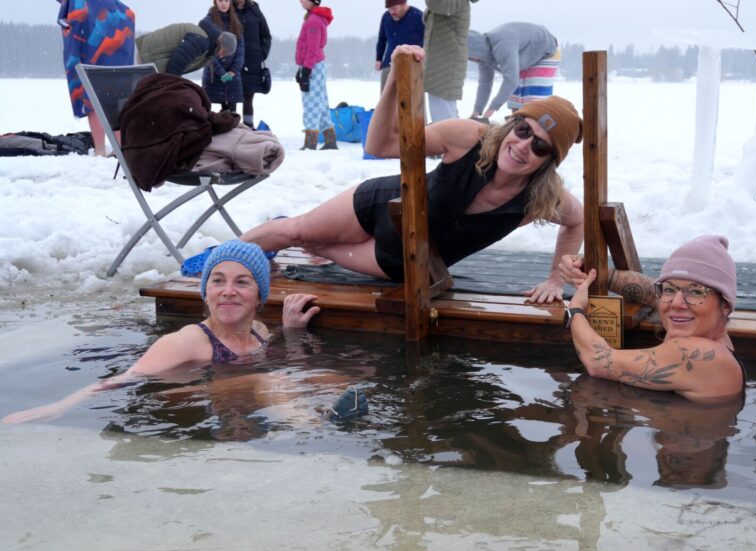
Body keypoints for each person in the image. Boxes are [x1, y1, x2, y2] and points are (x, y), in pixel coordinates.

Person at [234, 45, 584, 304]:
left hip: (399, 262)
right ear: (511, 125)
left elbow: (577, 221)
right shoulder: (470, 137)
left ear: (549, 161)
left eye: (540, 146)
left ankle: (298, 240)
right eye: (523, 130)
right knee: (295, 231)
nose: (523, 146)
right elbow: (380, 144)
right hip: (377, 206)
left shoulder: (540, 198)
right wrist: (393, 83)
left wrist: (556, 280)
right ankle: (222, 263)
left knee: (315, 244)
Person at [2, 241, 320, 425]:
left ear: (259, 296)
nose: (228, 291)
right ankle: (311, 433)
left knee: (326, 377)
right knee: (268, 381)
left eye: (242, 282)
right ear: (205, 292)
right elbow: (124, 380)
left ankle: (320, 420)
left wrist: (291, 332)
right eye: (218, 281)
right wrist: (58, 407)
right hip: (185, 397)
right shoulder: (188, 342)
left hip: (239, 397)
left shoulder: (260, 331)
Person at [565, 235, 746, 403]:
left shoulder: (700, 354)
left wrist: (574, 310)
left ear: (725, 305)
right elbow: (650, 290)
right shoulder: (712, 337)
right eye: (670, 289)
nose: (676, 303)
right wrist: (590, 271)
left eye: (696, 292)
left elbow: (598, 362)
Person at [58, 0, 136, 158]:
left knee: (91, 94)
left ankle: (100, 149)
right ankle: (119, 145)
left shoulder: (76, 4)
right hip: (117, 45)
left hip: (92, 50)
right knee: (117, 95)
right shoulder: (118, 8)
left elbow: (73, 29)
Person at [466, 22, 560, 120]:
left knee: (532, 99)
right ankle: (518, 121)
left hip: (547, 49)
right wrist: (477, 111)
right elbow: (485, 83)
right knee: (516, 99)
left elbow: (511, 80)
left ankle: (536, 123)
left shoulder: (502, 46)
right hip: (525, 53)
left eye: (471, 57)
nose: (473, 61)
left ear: (477, 50)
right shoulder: (483, 57)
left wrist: (491, 110)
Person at [422, 0, 478, 122]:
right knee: (445, 116)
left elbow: (435, 4)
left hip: (446, 67)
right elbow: (428, 17)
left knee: (444, 119)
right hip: (440, 66)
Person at [295, 0, 336, 151]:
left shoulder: (314, 21)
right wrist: (302, 68)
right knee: (321, 103)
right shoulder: (314, 18)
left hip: (313, 65)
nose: (300, 1)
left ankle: (310, 142)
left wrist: (306, 70)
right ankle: (330, 140)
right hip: (315, 64)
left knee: (311, 103)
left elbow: (312, 49)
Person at [135, 22, 237, 77]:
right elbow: (175, 65)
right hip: (142, 57)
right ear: (221, 44)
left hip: (146, 60)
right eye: (224, 52)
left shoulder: (206, 42)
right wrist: (172, 88)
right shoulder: (201, 40)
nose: (221, 56)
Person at [201, 0, 245, 113]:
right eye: (221, 0)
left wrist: (233, 71)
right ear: (215, 2)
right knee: (207, 111)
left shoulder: (235, 22)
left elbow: (240, 50)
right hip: (213, 75)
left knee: (232, 114)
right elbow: (207, 52)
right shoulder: (208, 22)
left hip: (233, 76)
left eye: (227, 0)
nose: (224, 4)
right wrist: (221, 72)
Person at [234, 0, 272, 128]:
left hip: (252, 61)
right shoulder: (229, 9)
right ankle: (231, 128)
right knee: (231, 97)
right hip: (232, 61)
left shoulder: (254, 10)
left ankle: (249, 127)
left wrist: (262, 53)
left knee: (248, 96)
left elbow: (266, 36)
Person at [375, 0, 425, 93]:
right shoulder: (386, 17)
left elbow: (428, 39)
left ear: (403, 4)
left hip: (412, 66)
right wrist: (379, 59)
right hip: (389, 65)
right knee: (386, 98)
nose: (391, 12)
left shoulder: (419, 16)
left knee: (411, 99)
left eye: (394, 8)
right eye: (389, 9)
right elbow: (382, 39)